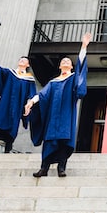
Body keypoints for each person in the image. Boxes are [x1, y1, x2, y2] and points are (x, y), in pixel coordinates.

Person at [24, 32, 91, 177]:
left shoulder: (73, 78)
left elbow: (81, 69)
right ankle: (44, 168)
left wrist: (84, 47)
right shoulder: (53, 82)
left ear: (71, 67)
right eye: (64, 61)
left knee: (63, 142)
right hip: (53, 118)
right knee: (49, 141)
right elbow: (42, 95)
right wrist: (31, 102)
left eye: (68, 61)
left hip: (66, 115)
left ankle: (61, 168)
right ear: (60, 66)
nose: (66, 62)